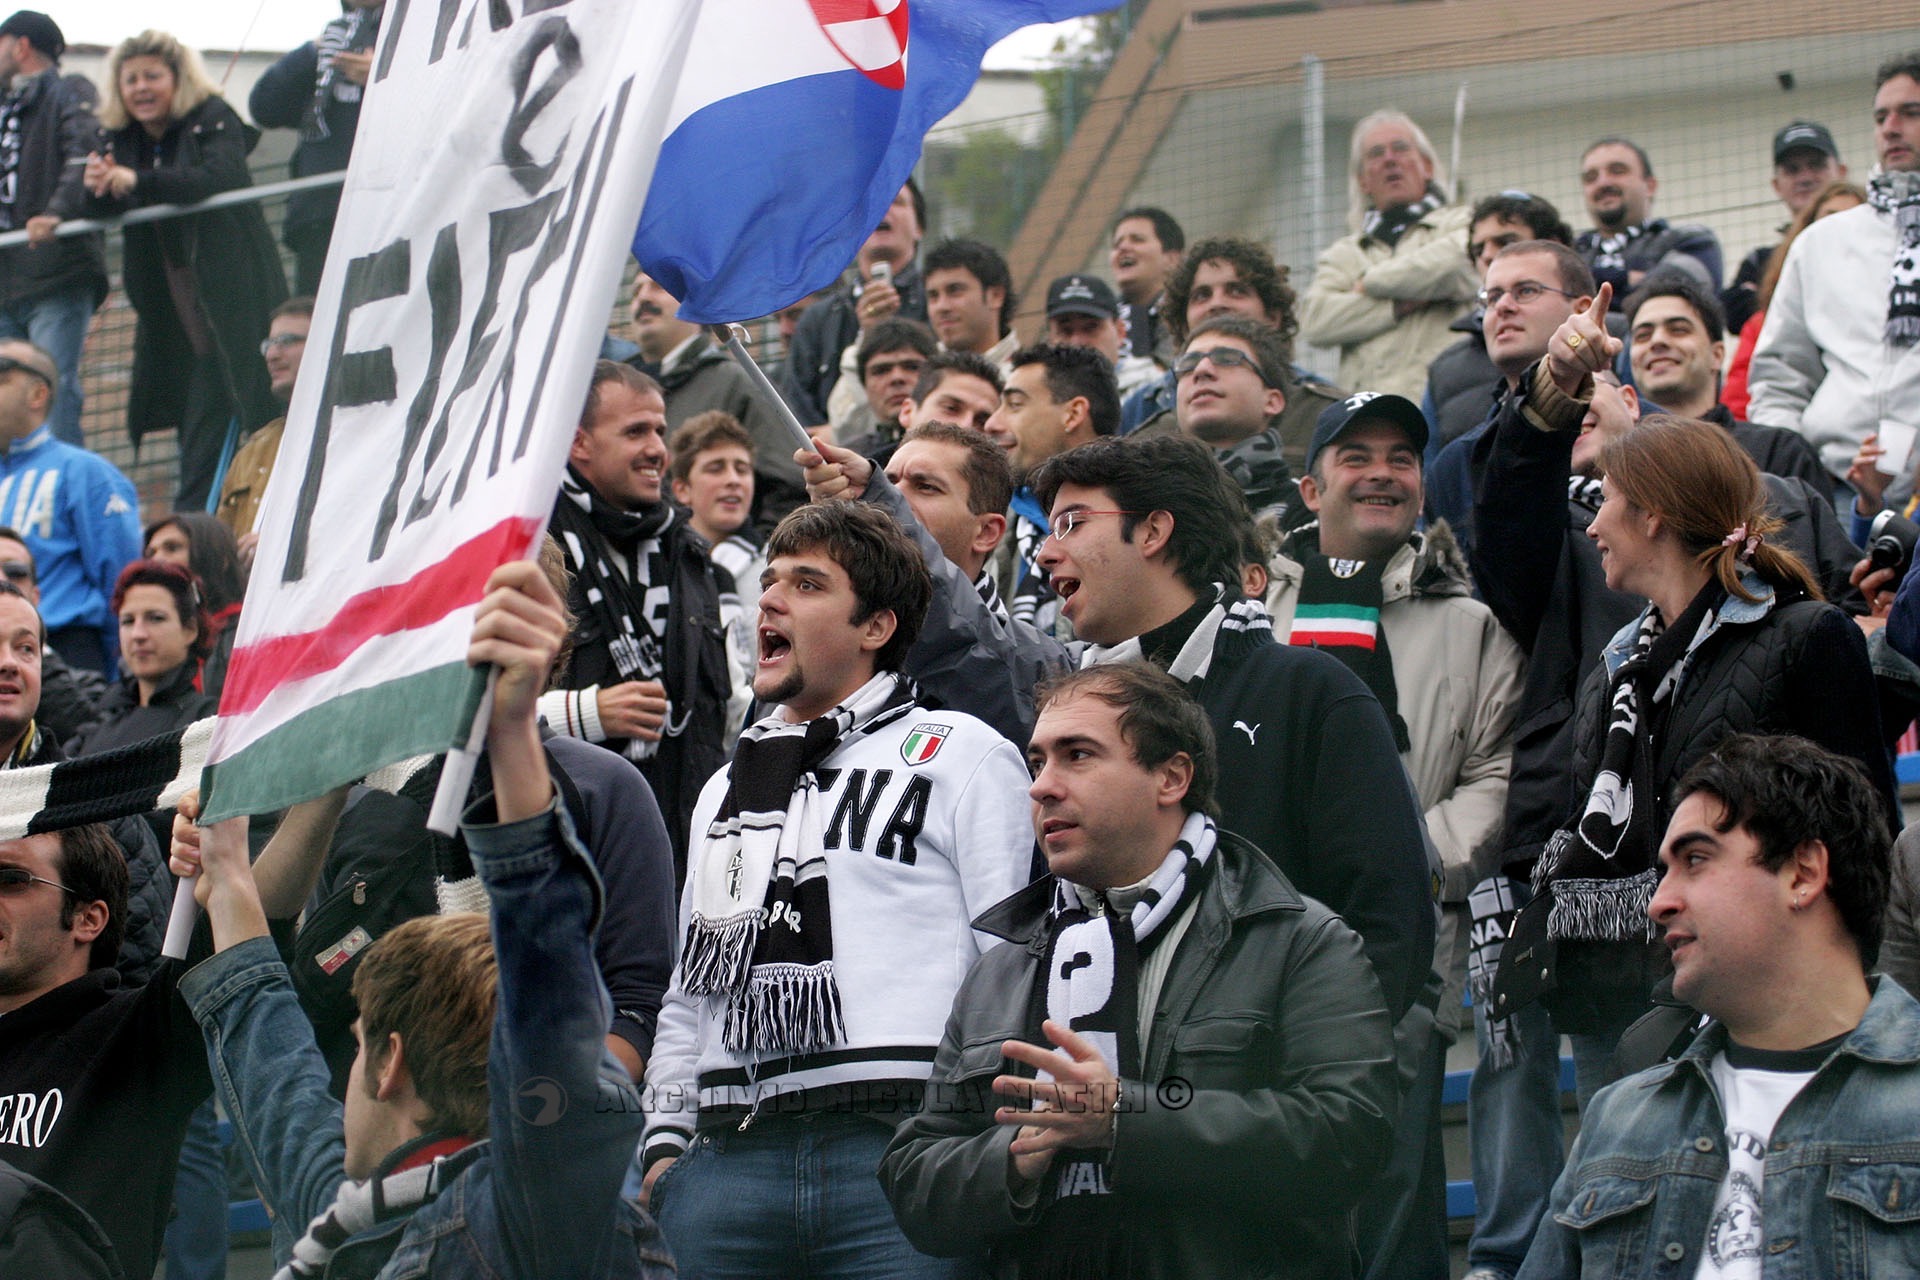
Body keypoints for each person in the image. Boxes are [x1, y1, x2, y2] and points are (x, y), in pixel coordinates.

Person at [169, 557, 674, 1278]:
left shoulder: (537, 1205)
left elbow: (574, 981)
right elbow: (278, 1044)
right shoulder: (333, 1211)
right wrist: (230, 863)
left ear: (389, 1060)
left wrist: (552, 1114)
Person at [878, 662, 1398, 1278]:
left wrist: (1126, 1120)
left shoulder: (1296, 940)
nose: (1041, 787)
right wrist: (1016, 1157)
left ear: (1171, 777)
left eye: (1077, 755)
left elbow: (1348, 1139)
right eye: (1038, 762)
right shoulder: (1001, 969)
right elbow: (915, 1178)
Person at [1508, 292, 1898, 1111]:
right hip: (1620, 996)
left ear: (1653, 514)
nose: (1593, 526)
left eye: (1608, 501)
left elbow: (1861, 834)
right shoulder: (1614, 666)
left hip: (1762, 1003)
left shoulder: (1805, 635)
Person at [638, 501, 1034, 1279]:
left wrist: (973, 1141)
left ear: (876, 626)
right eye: (770, 581)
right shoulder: (725, 787)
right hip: (726, 1163)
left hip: (901, 1151)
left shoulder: (964, 754)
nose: (770, 600)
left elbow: (1010, 965)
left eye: (808, 584)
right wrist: (665, 1146)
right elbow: (691, 991)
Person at [1267, 391, 1524, 1279]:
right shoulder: (1249, 610)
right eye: (1356, 456)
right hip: (1260, 946)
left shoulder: (1471, 623)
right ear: (1310, 489)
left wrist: (1405, 865)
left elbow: (1497, 773)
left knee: (1393, 1207)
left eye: (1401, 459)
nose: (1382, 474)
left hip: (1406, 950)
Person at [1519, 734, 1918, 1279]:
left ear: (1803, 873)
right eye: (1666, 870)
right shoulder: (1620, 1120)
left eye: (1696, 860)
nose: (1659, 902)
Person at [81, 29, 288, 510]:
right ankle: (197, 527)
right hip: (175, 316)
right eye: (131, 79)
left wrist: (137, 180)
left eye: (152, 76)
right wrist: (96, 188)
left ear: (178, 80)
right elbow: (100, 207)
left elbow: (220, 174)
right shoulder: (121, 139)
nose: (141, 88)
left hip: (232, 296)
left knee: (255, 410)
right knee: (198, 437)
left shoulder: (211, 116)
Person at [544, 361, 733, 876]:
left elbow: (721, 705)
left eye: (659, 431)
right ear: (579, 442)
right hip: (570, 848)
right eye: (635, 432)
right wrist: (585, 714)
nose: (656, 449)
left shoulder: (687, 550)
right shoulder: (530, 548)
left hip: (682, 848)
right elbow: (468, 712)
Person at [0, 817, 207, 1280]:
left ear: (87, 919)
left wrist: (225, 858)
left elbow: (256, 923)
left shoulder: (138, 1038)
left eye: (11, 880)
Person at [1749, 52, 1920, 486]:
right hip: (1837, 488)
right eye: (1881, 117)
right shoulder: (1820, 242)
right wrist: (1794, 475)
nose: (1891, 128)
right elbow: (1779, 376)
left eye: (1910, 113)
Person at [1426, 240, 1597, 558]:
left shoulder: (1645, 429)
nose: (1503, 306)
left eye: (1526, 291)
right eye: (1492, 297)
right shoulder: (1455, 465)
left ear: (1581, 310)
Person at [1299, 109, 1477, 401]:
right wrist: (1400, 303)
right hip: (1370, 413)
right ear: (1363, 181)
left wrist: (1369, 282)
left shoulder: (1463, 222)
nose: (1390, 159)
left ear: (1427, 166)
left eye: (1401, 148)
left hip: (1443, 405)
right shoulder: (1344, 254)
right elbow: (1316, 320)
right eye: (1376, 154)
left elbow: (1458, 264)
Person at [1129, 235, 1344, 471]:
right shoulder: (1142, 413)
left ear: (1272, 317)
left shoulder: (1324, 412)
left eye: (1236, 291)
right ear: (1183, 324)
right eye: (1202, 295)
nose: (1217, 304)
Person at [0, 339, 141, 676]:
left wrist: (119, 680)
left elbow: (121, 584)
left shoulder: (88, 474)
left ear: (38, 394)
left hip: (69, 654)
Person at [627, 268, 804, 530]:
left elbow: (789, 485)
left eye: (658, 286)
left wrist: (749, 548)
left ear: (694, 301)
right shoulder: (619, 392)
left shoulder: (738, 384)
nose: (643, 298)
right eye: (635, 291)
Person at [0, 10, 105, 447]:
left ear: (20, 45)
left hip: (55, 271)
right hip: (7, 278)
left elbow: (83, 154)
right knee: (6, 399)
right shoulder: (5, 105)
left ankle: (61, 483)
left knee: (50, 385)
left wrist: (56, 213)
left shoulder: (69, 91)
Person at [1623, 276, 1829, 494]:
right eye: (1642, 336)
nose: (1657, 341)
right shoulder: (1621, 463)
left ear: (1717, 355)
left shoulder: (1780, 451)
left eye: (1678, 330)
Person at [246, 1, 384, 294]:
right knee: (318, 311)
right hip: (319, 215)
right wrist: (316, 49)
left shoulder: (420, 37)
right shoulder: (331, 42)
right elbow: (264, 107)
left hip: (386, 209)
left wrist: (384, 74)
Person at [982, 342, 1119, 637]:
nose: (992, 424)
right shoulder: (991, 525)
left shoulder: (1131, 520)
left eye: (1015, 404)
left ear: (1073, 414)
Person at [1423, 191, 1575, 453]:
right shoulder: (1445, 369)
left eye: (1506, 242)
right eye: (1478, 249)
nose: (1487, 255)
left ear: (1554, 246)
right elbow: (1434, 468)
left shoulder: (1612, 339)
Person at [782, 180, 928, 425]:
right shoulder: (818, 320)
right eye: (868, 204)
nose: (883, 209)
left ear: (919, 228)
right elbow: (796, 408)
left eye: (896, 201)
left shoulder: (939, 302)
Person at [1722, 181, 1864, 422]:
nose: (1840, 230)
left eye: (1853, 220)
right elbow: (1738, 410)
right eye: (1829, 220)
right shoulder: (1764, 326)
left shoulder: (1897, 320)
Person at [65, 559, 218, 777]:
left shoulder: (208, 720)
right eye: (128, 621)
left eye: (155, 618)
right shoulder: (96, 725)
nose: (138, 634)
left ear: (190, 630)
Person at [668, 410, 760, 744]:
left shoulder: (780, 566)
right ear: (682, 489)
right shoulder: (665, 568)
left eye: (742, 469)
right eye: (715, 468)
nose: (733, 479)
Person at [1165, 315, 1303, 521]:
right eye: (1188, 363)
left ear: (1272, 401)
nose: (1201, 370)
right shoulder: (1143, 504)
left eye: (1227, 358)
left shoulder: (1308, 506)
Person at [1721, 121, 1848, 335]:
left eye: (1816, 165)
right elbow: (1734, 314)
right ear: (1776, 185)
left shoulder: (1871, 240)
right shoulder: (1759, 261)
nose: (1805, 178)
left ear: (1842, 172)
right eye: (1792, 170)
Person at [1573, 137, 1723, 305]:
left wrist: (1581, 295)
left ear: (1650, 186)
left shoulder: (1693, 241)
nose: (1603, 182)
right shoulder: (1569, 251)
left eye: (1617, 171)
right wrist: (1625, 279)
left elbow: (1667, 303)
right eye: (1591, 178)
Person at [217, 295, 314, 555]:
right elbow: (220, 554)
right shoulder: (253, 451)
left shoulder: (357, 435)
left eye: (287, 341)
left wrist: (278, 546)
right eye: (268, 345)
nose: (272, 355)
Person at [0, 528, 102, 742]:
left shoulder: (85, 685)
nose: (2, 579)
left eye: (15, 571)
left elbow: (94, 742)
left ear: (36, 597)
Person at [144, 511, 246, 699]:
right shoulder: (145, 640)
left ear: (218, 559)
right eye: (151, 553)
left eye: (172, 548)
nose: (157, 560)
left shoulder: (245, 636)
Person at [1043, 272, 1160, 394]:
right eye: (1066, 331)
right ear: (1049, 340)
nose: (1077, 342)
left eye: (1090, 328)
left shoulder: (1153, 390)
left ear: (1120, 332)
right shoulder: (1038, 397)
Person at [836, 317, 936, 455]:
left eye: (912, 367)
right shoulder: (847, 459)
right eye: (881, 371)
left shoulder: (961, 452)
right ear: (864, 385)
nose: (897, 378)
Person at [922, 237, 1019, 367]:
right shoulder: (917, 373)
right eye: (933, 296)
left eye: (955, 291)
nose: (942, 306)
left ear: (996, 296)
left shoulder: (1031, 374)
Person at [1109, 206, 1184, 368]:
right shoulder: (1102, 318)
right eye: (1116, 244)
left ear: (1172, 259)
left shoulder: (1188, 312)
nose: (1123, 247)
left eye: (1137, 239)